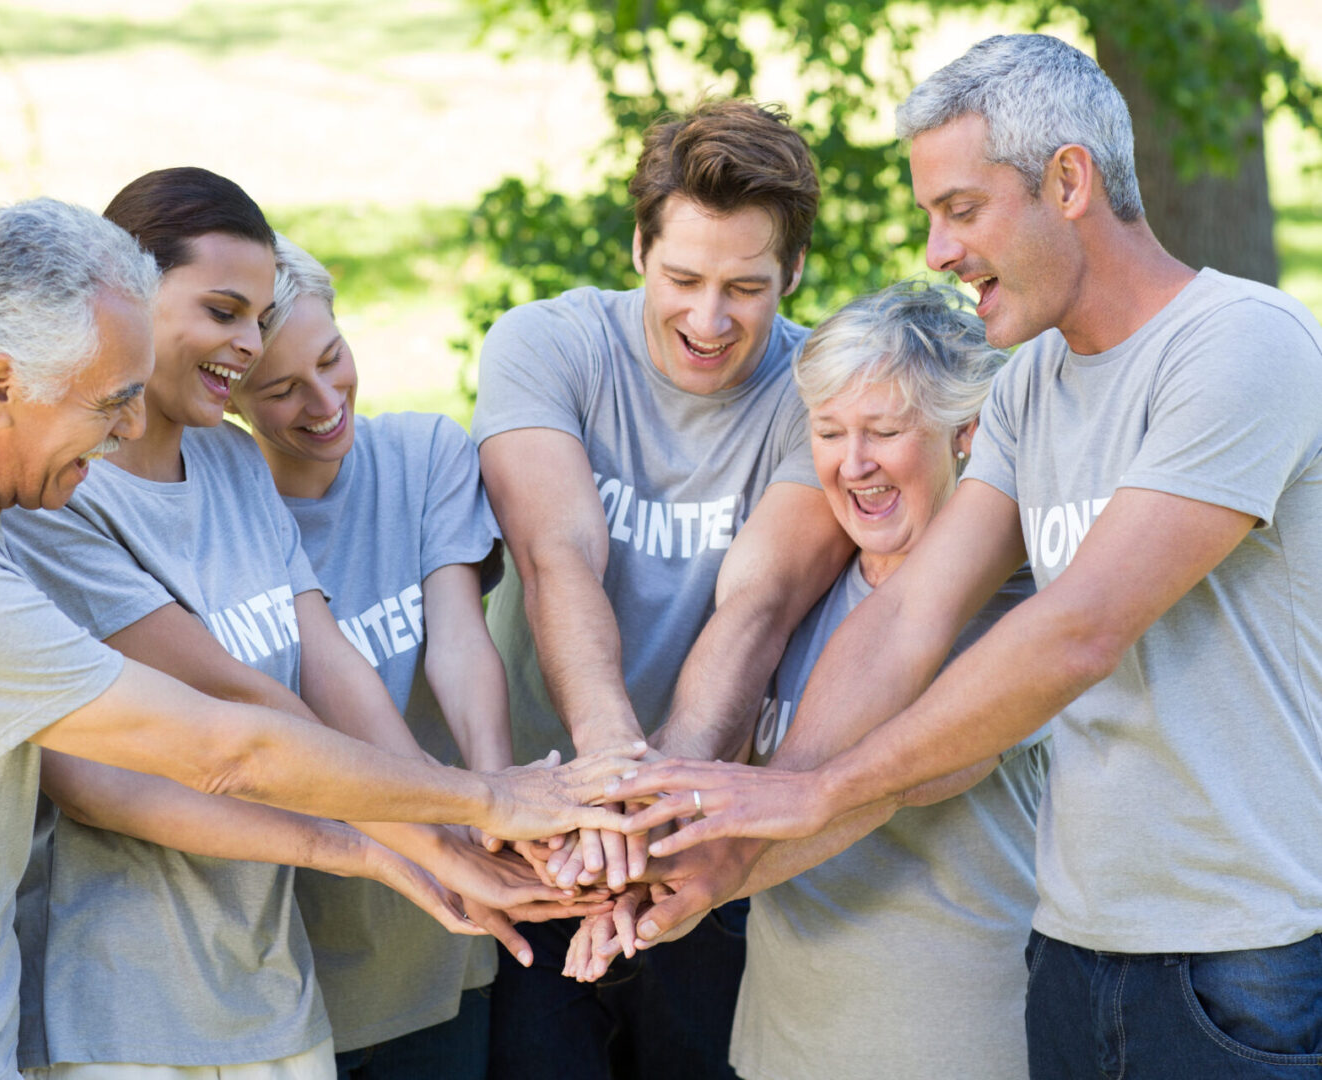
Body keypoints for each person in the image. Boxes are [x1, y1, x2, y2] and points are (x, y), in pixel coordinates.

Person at [0, 197, 636, 1080]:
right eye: (107, 402)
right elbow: (219, 744)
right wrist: (481, 803)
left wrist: (409, 839)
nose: (124, 429)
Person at [615, 34, 1322, 1078]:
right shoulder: (1032, 386)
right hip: (1078, 945)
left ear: (1068, 181)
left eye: (961, 209)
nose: (939, 252)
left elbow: (1079, 630)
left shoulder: (1241, 343)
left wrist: (819, 790)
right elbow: (903, 619)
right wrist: (730, 842)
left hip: (1235, 956)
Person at [569, 280, 1044, 1079]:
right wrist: (629, 864)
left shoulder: (1008, 596)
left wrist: (700, 880)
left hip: (959, 1043)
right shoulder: (806, 587)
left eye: (884, 432)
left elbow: (902, 778)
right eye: (828, 433)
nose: (853, 465)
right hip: (781, 1046)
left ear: (964, 434)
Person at [471, 98, 852, 1079]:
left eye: (748, 288)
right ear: (640, 247)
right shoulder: (545, 346)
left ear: (795, 273)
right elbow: (561, 558)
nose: (710, 319)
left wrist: (656, 813)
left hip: (702, 843)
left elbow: (757, 607)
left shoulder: (824, 394)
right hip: (547, 838)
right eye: (683, 277)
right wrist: (602, 786)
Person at [228, 235, 509, 1078]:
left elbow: (459, 639)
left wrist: (495, 802)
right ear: (229, 394)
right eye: (280, 390)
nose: (324, 401)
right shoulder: (226, 513)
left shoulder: (424, 456)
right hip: (305, 968)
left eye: (332, 358)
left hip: (447, 946)